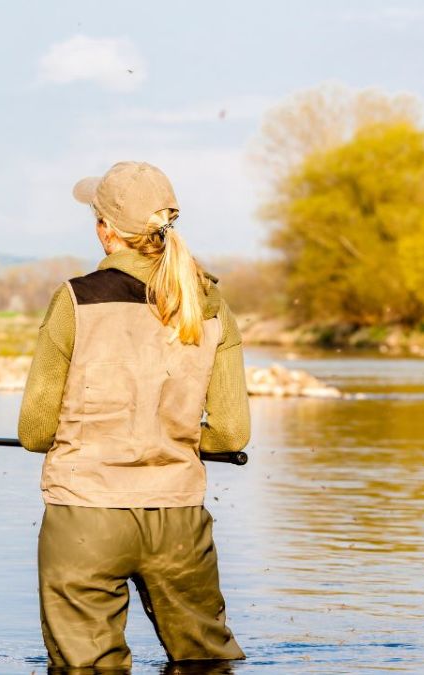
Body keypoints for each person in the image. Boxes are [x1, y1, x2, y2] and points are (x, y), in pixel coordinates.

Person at [18, 161, 251, 670]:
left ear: (106, 231)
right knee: (207, 665)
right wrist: (178, 436)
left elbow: (34, 431)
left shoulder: (75, 300)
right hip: (179, 522)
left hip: (85, 519)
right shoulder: (211, 305)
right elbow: (232, 432)